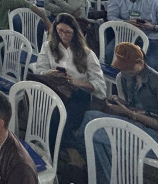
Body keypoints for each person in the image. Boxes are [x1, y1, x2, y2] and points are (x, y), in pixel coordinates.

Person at [77, 43, 158, 184]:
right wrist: (120, 104)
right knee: (89, 118)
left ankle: (99, 175)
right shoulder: (125, 77)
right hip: (137, 127)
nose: (124, 71)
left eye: (128, 67)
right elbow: (133, 107)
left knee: (94, 132)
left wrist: (130, 113)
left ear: (140, 63)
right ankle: (104, 177)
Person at [34, 14, 105, 146]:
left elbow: (100, 85)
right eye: (60, 31)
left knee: (64, 111)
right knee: (55, 109)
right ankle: (60, 147)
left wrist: (73, 82)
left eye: (68, 32)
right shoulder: (48, 47)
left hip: (78, 92)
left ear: (75, 33)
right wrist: (51, 73)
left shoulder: (87, 53)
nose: (64, 35)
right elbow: (39, 71)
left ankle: (57, 147)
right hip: (56, 89)